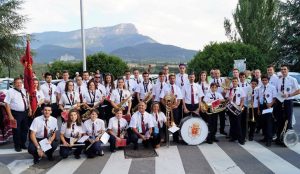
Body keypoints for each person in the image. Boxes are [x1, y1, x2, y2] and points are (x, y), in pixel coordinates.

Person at [275, 65, 299, 145]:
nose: (283, 71)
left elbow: (298, 91)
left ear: (288, 70)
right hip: (279, 102)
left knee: (288, 121)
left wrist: (289, 95)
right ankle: (279, 138)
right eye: (282, 69)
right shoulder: (279, 80)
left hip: (288, 102)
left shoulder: (292, 79)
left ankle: (287, 140)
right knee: (279, 120)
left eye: (285, 69)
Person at [4, 77, 31, 152]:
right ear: (14, 84)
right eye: (17, 82)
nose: (19, 84)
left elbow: (27, 100)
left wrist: (29, 109)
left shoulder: (24, 90)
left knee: (25, 130)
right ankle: (17, 146)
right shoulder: (10, 91)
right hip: (16, 114)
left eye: (20, 82)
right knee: (16, 130)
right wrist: (10, 115)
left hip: (25, 113)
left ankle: (23, 144)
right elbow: (7, 103)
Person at [160, 74, 182, 143]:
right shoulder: (165, 87)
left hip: (175, 108)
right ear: (169, 79)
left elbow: (179, 99)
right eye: (171, 78)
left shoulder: (178, 88)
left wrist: (176, 105)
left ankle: (175, 138)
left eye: (173, 78)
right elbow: (161, 99)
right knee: (166, 123)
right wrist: (166, 106)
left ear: (175, 79)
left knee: (174, 122)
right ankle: (166, 138)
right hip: (167, 108)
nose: (172, 80)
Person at [225, 77, 245, 145]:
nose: (234, 82)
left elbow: (242, 99)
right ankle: (233, 137)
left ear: (237, 82)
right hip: (231, 108)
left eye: (235, 81)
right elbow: (227, 99)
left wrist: (240, 106)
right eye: (233, 81)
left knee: (238, 124)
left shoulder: (240, 89)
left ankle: (241, 139)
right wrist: (229, 98)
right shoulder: (230, 90)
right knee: (232, 123)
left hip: (238, 107)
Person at [259, 75, 277, 147]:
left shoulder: (272, 87)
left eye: (265, 80)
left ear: (268, 80)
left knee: (269, 123)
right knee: (263, 123)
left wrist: (270, 104)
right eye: (263, 80)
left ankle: (269, 140)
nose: (264, 81)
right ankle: (265, 137)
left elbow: (274, 98)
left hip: (269, 106)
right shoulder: (260, 88)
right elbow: (259, 98)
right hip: (263, 106)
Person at [211, 69, 227, 135]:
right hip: (214, 101)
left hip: (222, 101)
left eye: (218, 73)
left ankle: (222, 130)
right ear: (213, 74)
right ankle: (214, 130)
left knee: (222, 117)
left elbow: (226, 89)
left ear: (220, 74)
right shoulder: (211, 81)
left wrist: (225, 92)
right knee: (214, 117)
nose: (217, 75)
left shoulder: (224, 81)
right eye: (215, 73)